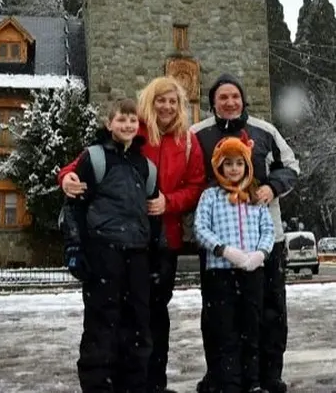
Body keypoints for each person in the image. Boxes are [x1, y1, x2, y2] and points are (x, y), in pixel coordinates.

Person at [60, 77, 206, 393]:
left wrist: (170, 201)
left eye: (173, 101)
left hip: (163, 239)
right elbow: (81, 164)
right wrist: (66, 178)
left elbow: (196, 186)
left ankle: (152, 382)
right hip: (120, 244)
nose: (166, 106)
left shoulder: (189, 142)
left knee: (153, 316)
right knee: (116, 314)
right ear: (149, 103)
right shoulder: (134, 132)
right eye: (160, 100)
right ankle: (114, 381)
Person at [192, 74, 299, 393]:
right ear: (213, 102)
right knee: (218, 316)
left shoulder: (265, 131)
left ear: (243, 100)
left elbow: (291, 166)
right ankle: (220, 375)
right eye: (222, 97)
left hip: (265, 241)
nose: (229, 102)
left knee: (269, 310)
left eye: (234, 96)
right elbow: (184, 175)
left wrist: (272, 187)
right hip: (219, 247)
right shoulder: (197, 134)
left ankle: (268, 374)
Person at [61, 98, 161, 393]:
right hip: (103, 253)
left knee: (138, 324)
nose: (128, 125)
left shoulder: (145, 165)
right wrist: (75, 249)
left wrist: (158, 254)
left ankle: (133, 385)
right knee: (101, 324)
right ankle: (98, 386)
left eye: (132, 120)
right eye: (121, 120)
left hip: (138, 255)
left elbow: (153, 213)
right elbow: (74, 206)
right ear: (109, 124)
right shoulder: (93, 158)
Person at [194, 133, 276, 393]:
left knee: (251, 328)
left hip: (251, 273)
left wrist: (260, 254)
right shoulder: (210, 197)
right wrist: (224, 250)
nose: (233, 169)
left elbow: (268, 230)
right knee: (225, 331)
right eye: (227, 164)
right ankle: (229, 382)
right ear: (219, 167)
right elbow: (200, 228)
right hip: (221, 274)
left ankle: (252, 381)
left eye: (239, 163)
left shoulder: (255, 198)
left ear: (247, 167)